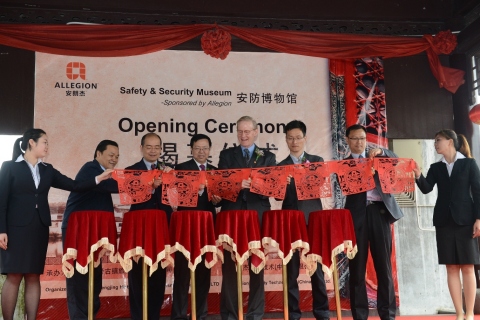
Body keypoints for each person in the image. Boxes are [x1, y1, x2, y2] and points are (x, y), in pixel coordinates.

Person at [0, 129, 112, 320]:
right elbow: (2, 200)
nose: (47, 147)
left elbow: (74, 185)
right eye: (44, 142)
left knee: (34, 276)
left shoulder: (47, 169)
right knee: (14, 276)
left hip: (39, 228)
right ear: (31, 143)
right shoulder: (10, 167)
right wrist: (1, 230)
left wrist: (97, 179)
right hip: (15, 230)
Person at [414, 129, 480, 320]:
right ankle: (459, 313)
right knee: (451, 267)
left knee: (467, 266)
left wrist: (478, 219)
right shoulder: (436, 167)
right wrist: (418, 175)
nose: (435, 144)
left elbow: (477, 192)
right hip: (443, 221)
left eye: (438, 140)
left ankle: (469, 313)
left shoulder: (469, 164)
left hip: (466, 221)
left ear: (450, 142)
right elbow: (426, 189)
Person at [217, 115, 276, 320]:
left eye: (247, 131)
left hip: (257, 215)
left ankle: (255, 314)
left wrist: (253, 184)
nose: (244, 135)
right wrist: (236, 184)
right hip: (231, 215)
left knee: (257, 265)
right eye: (240, 131)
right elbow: (221, 184)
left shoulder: (268, 156)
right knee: (230, 267)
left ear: (256, 132)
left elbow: (271, 186)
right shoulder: (226, 155)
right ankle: (230, 314)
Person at [343, 124, 403, 320]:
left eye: (362, 138)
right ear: (347, 140)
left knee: (383, 267)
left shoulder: (378, 157)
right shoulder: (343, 165)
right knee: (357, 268)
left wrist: (382, 151)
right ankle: (360, 315)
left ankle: (387, 314)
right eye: (354, 139)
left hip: (379, 213)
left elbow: (395, 159)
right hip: (356, 217)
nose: (359, 142)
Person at [62, 139, 120, 320]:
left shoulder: (106, 173)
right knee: (79, 278)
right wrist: (144, 183)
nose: (114, 159)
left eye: (117, 156)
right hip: (78, 231)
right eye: (111, 155)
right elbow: (111, 187)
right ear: (98, 154)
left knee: (94, 280)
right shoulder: (91, 169)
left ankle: (89, 316)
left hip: (93, 233)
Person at [277, 120, 329, 320]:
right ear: (286, 140)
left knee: (316, 269)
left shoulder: (317, 160)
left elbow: (323, 185)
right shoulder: (280, 166)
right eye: (290, 137)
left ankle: (322, 313)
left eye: (298, 137)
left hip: (313, 218)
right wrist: (282, 184)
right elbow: (275, 195)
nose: (294, 141)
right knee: (291, 271)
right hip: (290, 220)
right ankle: (293, 314)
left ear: (305, 138)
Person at [171, 133, 221, 320]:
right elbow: (175, 197)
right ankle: (178, 315)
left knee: (203, 274)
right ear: (191, 149)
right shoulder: (181, 169)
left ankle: (200, 314)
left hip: (206, 229)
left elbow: (216, 202)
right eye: (198, 148)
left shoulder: (215, 171)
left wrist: (217, 200)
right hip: (186, 227)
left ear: (209, 150)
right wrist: (195, 189)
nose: (202, 152)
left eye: (205, 148)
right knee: (182, 274)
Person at [126, 132, 172, 320]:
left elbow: (174, 198)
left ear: (161, 149)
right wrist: (150, 187)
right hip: (139, 228)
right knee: (137, 273)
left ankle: (153, 316)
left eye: (156, 147)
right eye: (149, 147)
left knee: (158, 273)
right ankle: (138, 316)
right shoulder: (132, 170)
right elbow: (130, 196)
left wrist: (172, 181)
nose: (153, 151)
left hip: (161, 227)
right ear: (141, 148)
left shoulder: (168, 170)